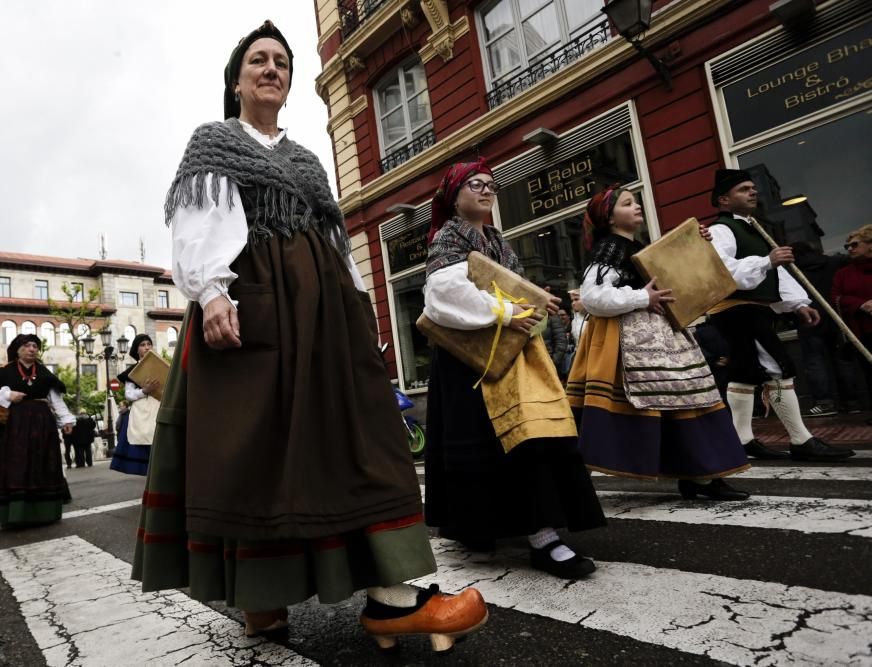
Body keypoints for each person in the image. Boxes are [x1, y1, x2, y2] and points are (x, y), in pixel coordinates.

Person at [132, 20, 487, 652]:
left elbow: (332, 239)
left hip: (325, 315)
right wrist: (212, 292)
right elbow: (198, 226)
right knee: (257, 452)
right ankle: (262, 599)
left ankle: (393, 595)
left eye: (282, 63)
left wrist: (359, 307)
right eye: (258, 61)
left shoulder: (305, 160)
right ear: (236, 80)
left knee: (360, 438)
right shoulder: (214, 142)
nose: (271, 69)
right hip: (252, 305)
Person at [422, 159, 606, 577]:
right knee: (500, 444)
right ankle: (499, 529)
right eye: (475, 185)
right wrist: (507, 310)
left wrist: (537, 302)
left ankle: (542, 533)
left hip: (513, 354)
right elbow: (443, 295)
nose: (486, 191)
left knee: (532, 437)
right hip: (470, 364)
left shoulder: (495, 239)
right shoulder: (447, 238)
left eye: (491, 185)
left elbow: (508, 288)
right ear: (454, 195)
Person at [567, 185, 751, 500]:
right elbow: (593, 296)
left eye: (636, 201)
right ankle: (700, 476)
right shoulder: (610, 247)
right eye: (627, 204)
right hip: (632, 340)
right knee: (683, 399)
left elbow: (673, 279)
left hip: (659, 336)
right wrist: (642, 297)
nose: (636, 206)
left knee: (690, 399)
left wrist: (695, 245)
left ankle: (701, 475)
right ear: (609, 218)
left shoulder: (631, 246)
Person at [706, 169, 854, 462]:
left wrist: (798, 303)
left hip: (753, 308)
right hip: (736, 309)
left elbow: (776, 271)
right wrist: (766, 260)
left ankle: (743, 440)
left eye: (752, 188)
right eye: (743, 189)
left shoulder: (756, 229)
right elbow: (722, 272)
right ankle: (801, 440)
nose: (753, 192)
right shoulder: (722, 230)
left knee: (745, 373)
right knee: (777, 366)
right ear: (724, 199)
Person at [0, 333, 75, 526]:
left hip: (42, 425)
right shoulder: (6, 371)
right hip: (14, 426)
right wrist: (8, 395)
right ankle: (16, 514)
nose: (32, 349)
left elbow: (55, 398)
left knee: (42, 465)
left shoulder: (44, 372)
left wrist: (66, 420)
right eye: (28, 345)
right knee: (17, 466)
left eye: (35, 346)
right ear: (18, 349)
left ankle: (44, 513)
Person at [791, 242, 859, 416]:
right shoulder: (835, 263)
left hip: (809, 319)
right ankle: (851, 402)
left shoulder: (793, 271)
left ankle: (824, 403)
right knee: (843, 361)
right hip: (837, 318)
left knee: (815, 362)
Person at [831, 224, 872, 413]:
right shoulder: (843, 273)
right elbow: (836, 297)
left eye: (855, 245)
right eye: (847, 245)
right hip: (862, 332)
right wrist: (860, 304)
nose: (849, 249)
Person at [110, 334, 160, 476]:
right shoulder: (133, 371)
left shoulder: (160, 366)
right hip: (141, 412)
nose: (147, 347)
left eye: (149, 344)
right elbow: (129, 394)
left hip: (158, 409)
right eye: (143, 345)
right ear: (136, 350)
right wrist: (145, 391)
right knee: (143, 440)